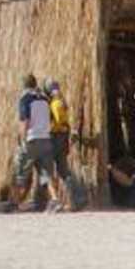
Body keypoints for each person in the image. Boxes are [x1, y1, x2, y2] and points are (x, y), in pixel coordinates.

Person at [15, 73, 62, 211]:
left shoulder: (25, 99)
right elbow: (51, 118)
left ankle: (14, 202)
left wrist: (22, 139)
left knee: (20, 173)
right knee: (47, 173)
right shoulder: (45, 99)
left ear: (24, 85)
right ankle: (55, 199)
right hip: (46, 139)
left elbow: (25, 121)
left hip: (32, 139)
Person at [45, 78, 79, 210]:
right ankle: (74, 200)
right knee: (63, 170)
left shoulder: (55, 102)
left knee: (49, 169)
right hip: (63, 136)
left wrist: (52, 126)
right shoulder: (62, 100)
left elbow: (58, 119)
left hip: (55, 136)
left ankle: (55, 200)